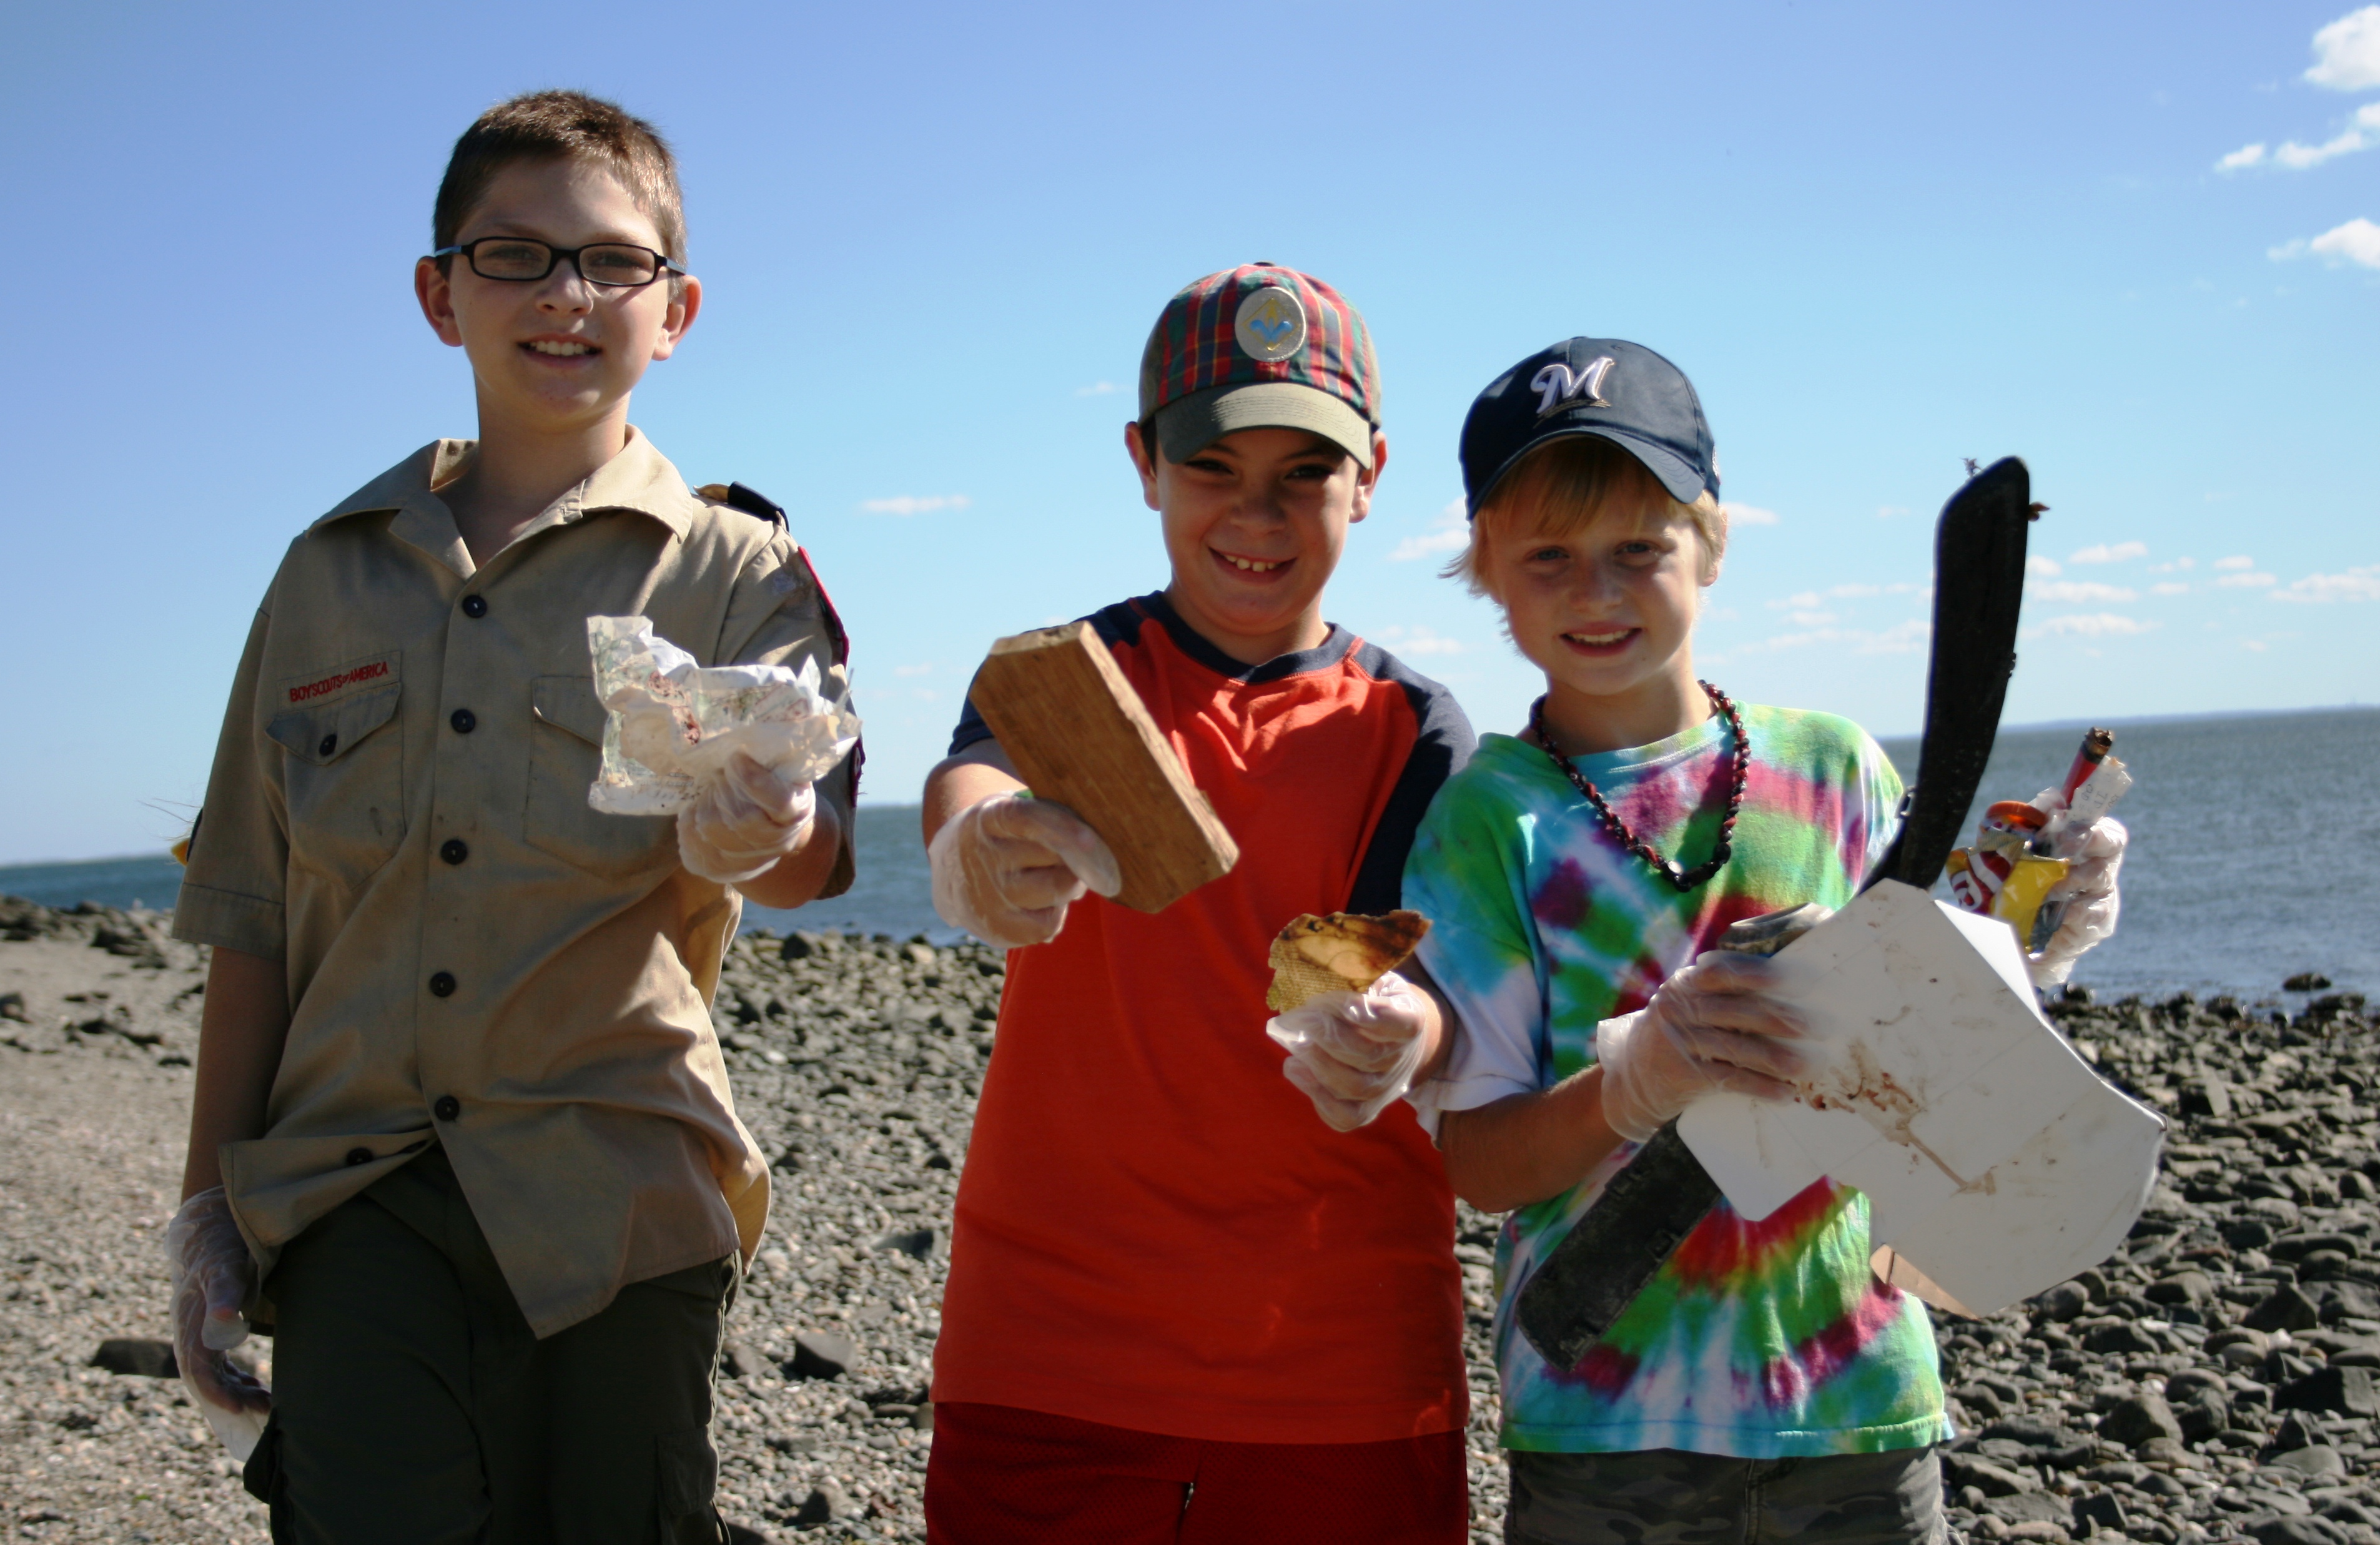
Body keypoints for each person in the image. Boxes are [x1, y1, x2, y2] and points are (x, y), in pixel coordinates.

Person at [165, 90, 859, 1543]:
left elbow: (812, 853)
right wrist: (205, 1220)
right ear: (438, 294)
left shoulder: (740, 569)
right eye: (514, 255)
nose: (566, 295)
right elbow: (251, 913)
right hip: (356, 1197)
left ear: (675, 310)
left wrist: (760, 826)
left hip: (620, 1197)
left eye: (614, 262)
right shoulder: (322, 577)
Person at [1388, 338, 2125, 1544]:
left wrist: (2033, 922)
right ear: (1487, 574)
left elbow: (1946, 1042)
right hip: (1603, 1425)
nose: (1598, 590)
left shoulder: (1833, 768)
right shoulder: (1489, 819)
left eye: (1641, 546)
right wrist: (1638, 1084)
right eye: (1549, 558)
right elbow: (1480, 1163)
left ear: (1714, 539)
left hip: (1861, 1400)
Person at [918, 263, 1476, 1544]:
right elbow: (973, 777)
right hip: (1048, 1358)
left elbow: (1429, 981)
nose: (1257, 514)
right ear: (1143, 463)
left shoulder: (1418, 726)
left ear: (1371, 476)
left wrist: (1407, 1039)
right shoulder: (1072, 676)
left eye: (1304, 475)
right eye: (1215, 467)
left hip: (1336, 1369)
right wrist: (978, 848)